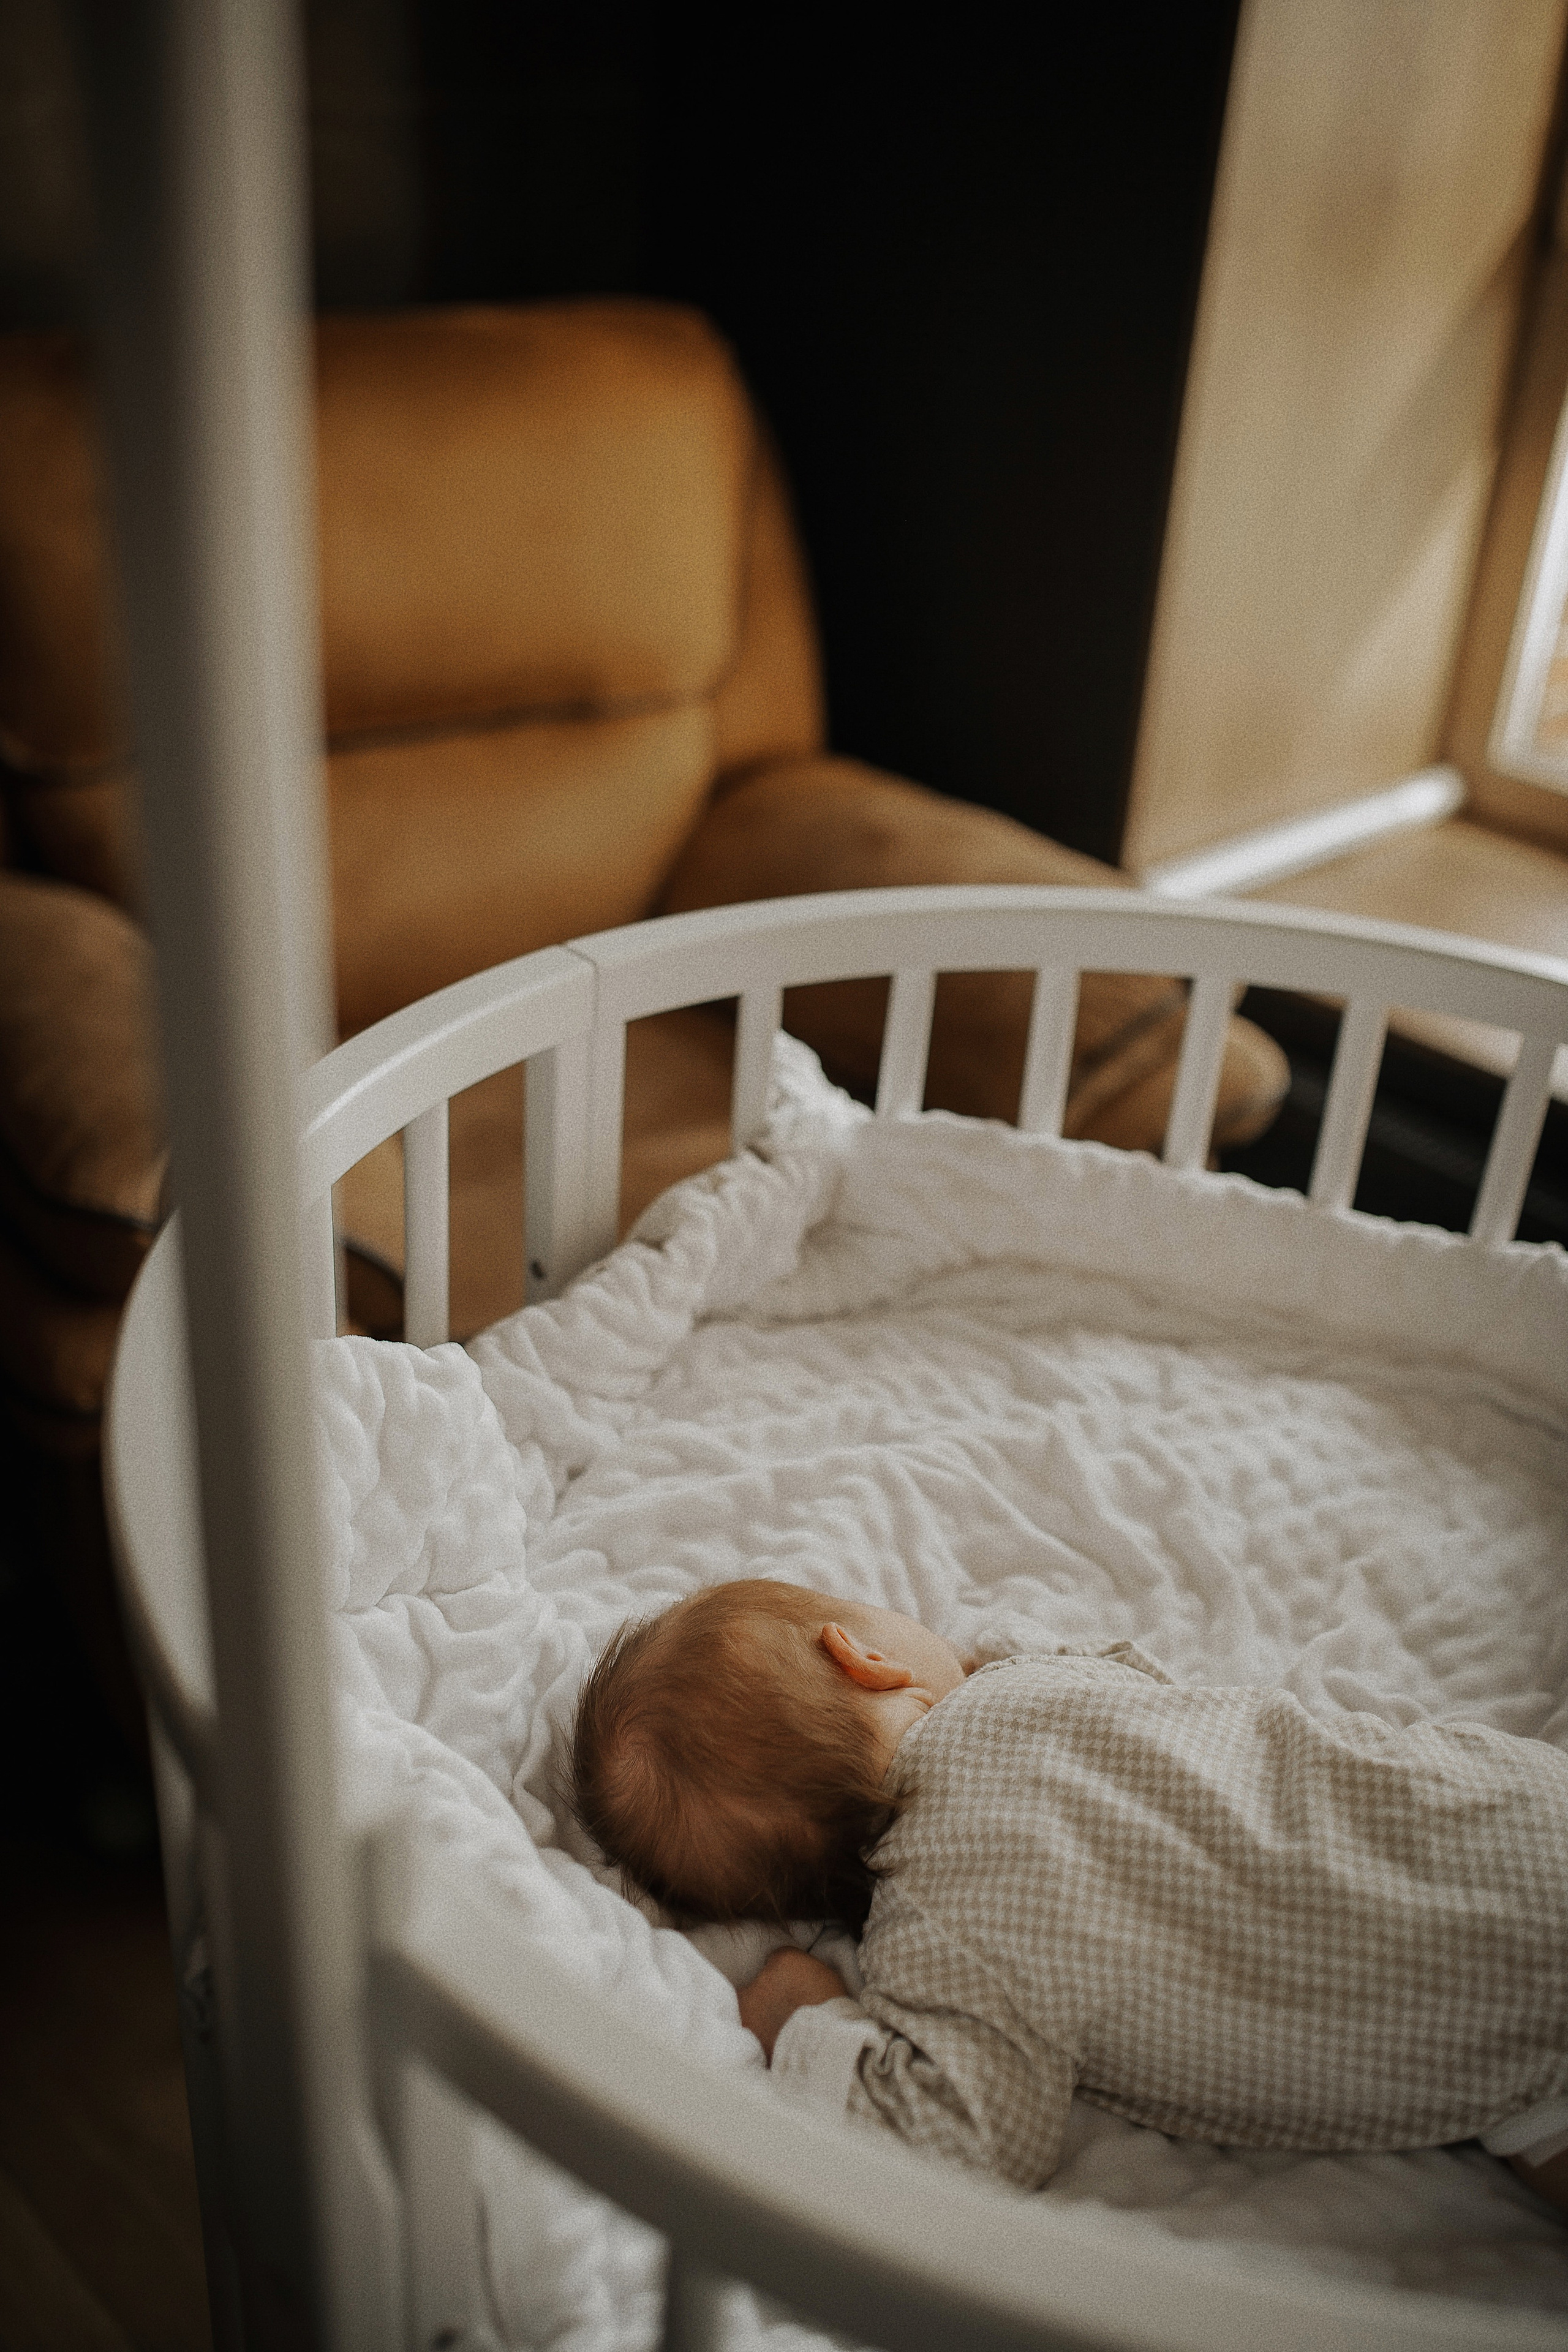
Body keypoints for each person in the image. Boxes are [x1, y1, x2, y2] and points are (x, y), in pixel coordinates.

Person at [569, 1578, 1568, 2209]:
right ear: (863, 1654)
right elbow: (1140, 1679)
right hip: (1507, 1809)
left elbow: (959, 2138)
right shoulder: (1031, 1685)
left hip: (1490, 2024)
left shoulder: (938, 1935)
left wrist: (803, 2011)